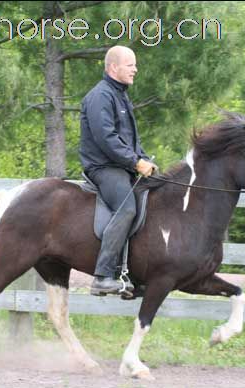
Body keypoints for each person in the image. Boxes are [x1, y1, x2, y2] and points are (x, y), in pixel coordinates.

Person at [79, 45, 158, 296]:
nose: (135, 69)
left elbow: (130, 140)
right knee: (127, 208)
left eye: (135, 64)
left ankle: (138, 273)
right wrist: (135, 163)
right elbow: (107, 139)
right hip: (104, 168)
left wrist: (144, 159)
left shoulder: (120, 95)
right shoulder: (100, 96)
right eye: (130, 64)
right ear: (113, 67)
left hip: (122, 165)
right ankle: (103, 276)